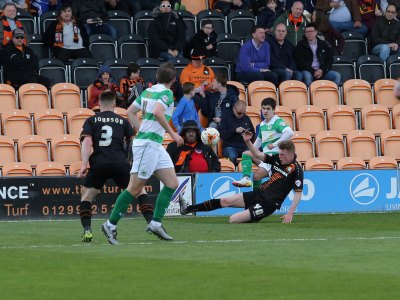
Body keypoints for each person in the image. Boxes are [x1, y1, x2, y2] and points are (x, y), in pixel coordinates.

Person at [101, 62, 184, 244]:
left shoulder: (148, 91)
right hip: (148, 145)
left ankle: (155, 223)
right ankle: (110, 224)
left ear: (157, 77)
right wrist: (173, 134)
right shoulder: (167, 93)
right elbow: (157, 112)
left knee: (171, 183)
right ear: (173, 80)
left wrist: (141, 131)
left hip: (152, 143)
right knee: (135, 188)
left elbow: (130, 112)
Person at [78, 90, 154, 242]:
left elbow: (87, 142)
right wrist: (133, 160)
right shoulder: (123, 120)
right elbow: (134, 141)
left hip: (99, 163)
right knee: (139, 191)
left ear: (99, 104)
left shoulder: (91, 120)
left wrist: (84, 164)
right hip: (120, 162)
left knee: (86, 196)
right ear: (114, 104)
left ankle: (87, 230)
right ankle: (152, 223)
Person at [180, 139, 304, 224]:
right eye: (280, 154)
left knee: (233, 220)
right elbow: (258, 154)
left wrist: (290, 213)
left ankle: (252, 215)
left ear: (291, 154)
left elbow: (298, 193)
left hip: (268, 204)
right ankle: (188, 209)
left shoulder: (296, 170)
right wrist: (247, 141)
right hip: (258, 194)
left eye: (282, 154)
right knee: (225, 200)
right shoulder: (277, 159)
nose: (279, 156)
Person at [233, 97, 294, 188]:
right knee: (246, 154)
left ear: (274, 110)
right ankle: (246, 178)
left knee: (257, 177)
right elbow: (257, 144)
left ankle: (258, 198)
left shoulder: (277, 122)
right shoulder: (262, 124)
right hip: (265, 156)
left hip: (274, 157)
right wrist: (248, 142)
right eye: (263, 108)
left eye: (268, 109)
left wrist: (274, 144)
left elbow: (290, 132)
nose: (265, 111)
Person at [294, 23, 341, 87]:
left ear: (316, 32)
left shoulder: (323, 44)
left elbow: (330, 59)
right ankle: (310, 96)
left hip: (322, 71)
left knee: (337, 75)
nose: (309, 33)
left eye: (311, 31)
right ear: (305, 33)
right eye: (307, 32)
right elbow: (300, 62)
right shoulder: (300, 45)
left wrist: (321, 70)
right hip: (309, 71)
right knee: (307, 76)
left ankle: (332, 95)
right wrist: (313, 71)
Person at [218, 100, 255, 165]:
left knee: (253, 155)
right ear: (234, 109)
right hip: (230, 146)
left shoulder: (246, 118)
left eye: (243, 113)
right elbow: (222, 134)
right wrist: (235, 131)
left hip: (244, 146)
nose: (242, 115)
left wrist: (248, 134)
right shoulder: (226, 118)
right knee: (232, 156)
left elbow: (253, 134)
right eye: (239, 113)